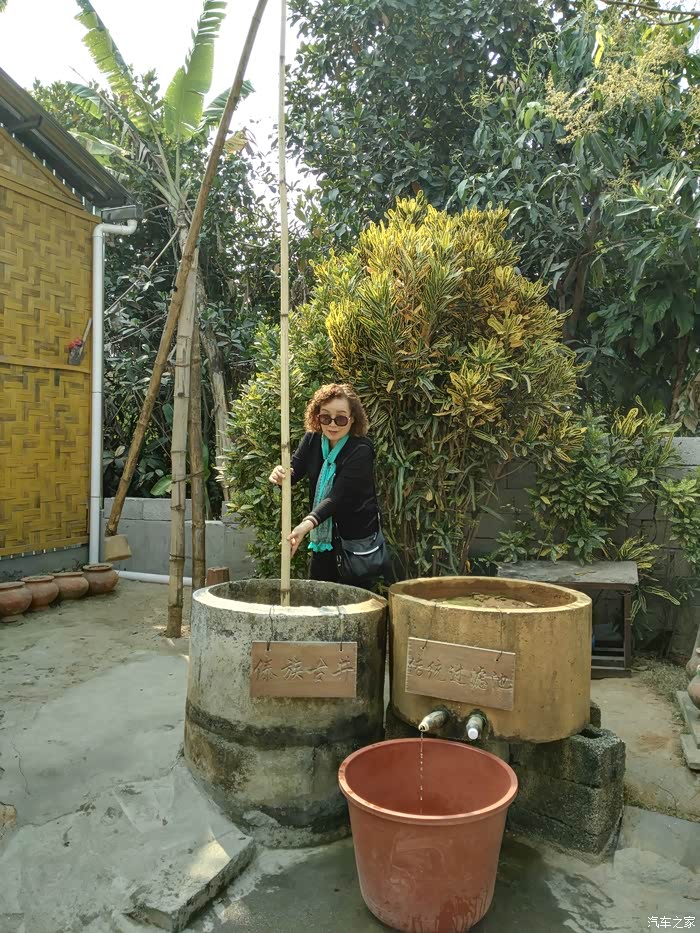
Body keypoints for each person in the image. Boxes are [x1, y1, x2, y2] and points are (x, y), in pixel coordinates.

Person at [269, 383, 391, 586]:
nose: (332, 424)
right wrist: (281, 475)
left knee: (355, 602)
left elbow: (337, 497)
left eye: (340, 418)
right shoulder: (312, 440)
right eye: (326, 417)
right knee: (319, 598)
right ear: (317, 416)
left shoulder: (361, 450)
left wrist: (304, 526)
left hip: (354, 546)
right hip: (323, 542)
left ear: (352, 419)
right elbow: (293, 472)